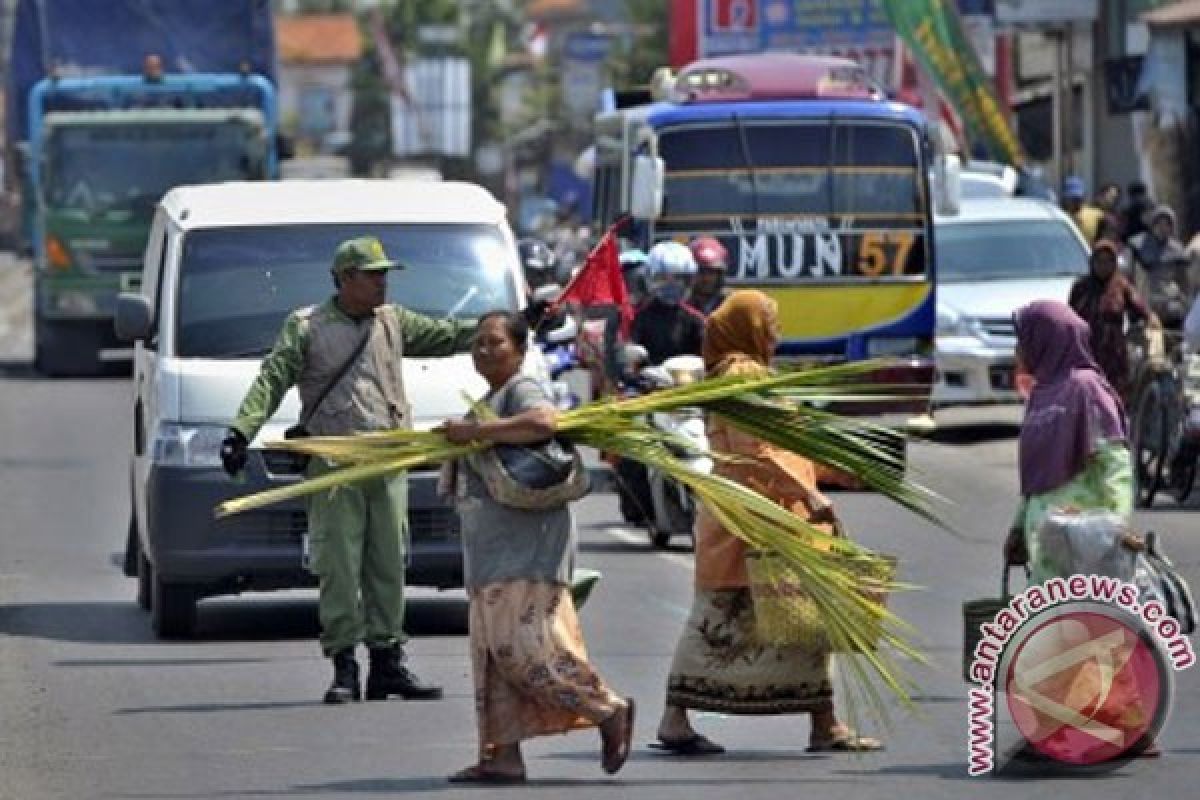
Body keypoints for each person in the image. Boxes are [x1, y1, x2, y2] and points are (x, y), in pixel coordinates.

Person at [220, 235, 474, 704]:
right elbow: (272, 379)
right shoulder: (306, 326)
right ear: (344, 278)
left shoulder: (393, 322)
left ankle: (387, 665)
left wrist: (513, 325)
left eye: (384, 274)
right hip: (334, 467)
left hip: (388, 461)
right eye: (374, 274)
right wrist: (240, 431)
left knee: (389, 565)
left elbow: (451, 335)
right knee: (338, 566)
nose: (383, 284)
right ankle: (344, 666)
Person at [652, 290, 882, 756]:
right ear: (749, 327)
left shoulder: (736, 373)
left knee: (799, 622)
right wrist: (808, 495)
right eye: (770, 324)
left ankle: (824, 722)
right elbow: (757, 451)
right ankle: (677, 718)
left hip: (758, 516)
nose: (777, 334)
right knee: (723, 617)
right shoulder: (744, 374)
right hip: (755, 517)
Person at [439, 310, 634, 784]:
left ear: (520, 351)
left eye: (495, 342)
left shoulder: (519, 392)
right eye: (478, 343)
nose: (485, 350)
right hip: (492, 553)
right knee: (491, 657)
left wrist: (475, 434)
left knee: (522, 650)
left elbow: (545, 421)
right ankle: (502, 755)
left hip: (525, 552)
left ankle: (607, 710)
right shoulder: (487, 400)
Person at [1003, 301, 1133, 586]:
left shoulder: (1086, 388)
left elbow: (1114, 461)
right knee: (1045, 628)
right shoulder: (1041, 394)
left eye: (1024, 340)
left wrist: (1118, 525)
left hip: (1087, 550)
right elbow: (1038, 477)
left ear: (1045, 340)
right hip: (1045, 554)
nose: (1018, 350)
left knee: (1088, 628)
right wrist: (1018, 528)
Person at [1068, 240, 1159, 402]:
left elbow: (1140, 307)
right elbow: (1069, 318)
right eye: (1099, 261)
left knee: (1114, 401)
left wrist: (1151, 318)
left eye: (1108, 261)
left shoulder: (1121, 286)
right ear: (1092, 262)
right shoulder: (1080, 288)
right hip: (1086, 353)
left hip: (1114, 356)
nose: (1104, 266)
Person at [630, 241, 705, 366]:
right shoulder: (637, 317)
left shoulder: (696, 319)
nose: (672, 285)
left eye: (679, 278)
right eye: (663, 278)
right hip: (646, 382)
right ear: (649, 278)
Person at [1129, 204, 1191, 327]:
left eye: (1167, 224)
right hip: (1144, 302)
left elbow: (1184, 281)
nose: (1163, 228)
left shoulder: (1177, 250)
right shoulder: (1138, 245)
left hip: (1169, 303)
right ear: (1153, 225)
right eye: (1159, 223)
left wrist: (1183, 300)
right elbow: (1129, 274)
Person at [686, 236, 731, 315]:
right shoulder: (681, 305)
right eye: (701, 271)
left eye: (711, 272)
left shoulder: (731, 303)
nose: (706, 278)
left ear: (720, 275)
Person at [1061, 176, 1105, 244]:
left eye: (1078, 198)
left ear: (1083, 196)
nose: (1076, 201)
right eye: (1072, 198)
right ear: (1065, 198)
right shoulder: (1060, 216)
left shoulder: (1096, 214)